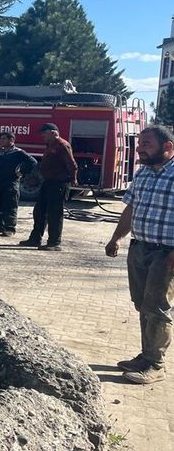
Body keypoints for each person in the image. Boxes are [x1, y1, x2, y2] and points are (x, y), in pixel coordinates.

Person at [105, 126, 174, 384]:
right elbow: (130, 209)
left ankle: (156, 365)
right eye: (139, 143)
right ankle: (146, 356)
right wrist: (117, 237)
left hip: (166, 254)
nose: (140, 148)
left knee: (157, 307)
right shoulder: (143, 173)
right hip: (139, 249)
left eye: (147, 144)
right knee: (141, 304)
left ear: (167, 147)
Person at [18, 123, 77, 251]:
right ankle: (35, 239)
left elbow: (72, 164)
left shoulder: (62, 145)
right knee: (39, 211)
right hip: (48, 182)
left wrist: (74, 179)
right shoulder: (50, 145)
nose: (42, 136)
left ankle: (54, 243)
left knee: (54, 214)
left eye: (44, 133)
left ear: (53, 132)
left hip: (59, 183)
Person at [0, 132, 37, 237]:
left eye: (4, 139)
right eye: (0, 139)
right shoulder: (1, 152)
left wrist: (21, 172)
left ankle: (9, 228)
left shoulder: (18, 153)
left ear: (11, 140)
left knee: (10, 206)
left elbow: (33, 162)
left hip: (10, 184)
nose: (1, 141)